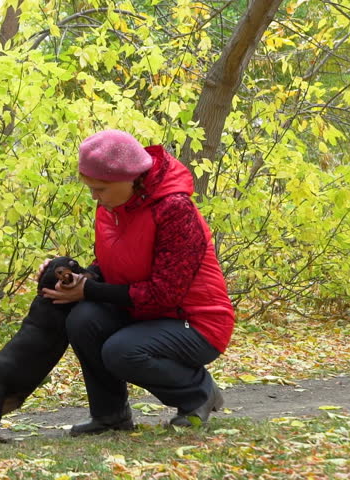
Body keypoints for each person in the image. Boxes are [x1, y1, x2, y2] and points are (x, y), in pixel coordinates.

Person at [40, 129, 235, 436]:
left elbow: (165, 294)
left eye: (100, 188)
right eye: (91, 188)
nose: (94, 196)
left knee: (122, 351)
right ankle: (110, 417)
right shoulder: (112, 207)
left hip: (195, 323)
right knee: (83, 319)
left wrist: (89, 289)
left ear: (129, 178)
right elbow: (113, 265)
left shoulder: (175, 209)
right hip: (145, 315)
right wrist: (75, 276)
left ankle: (199, 394)